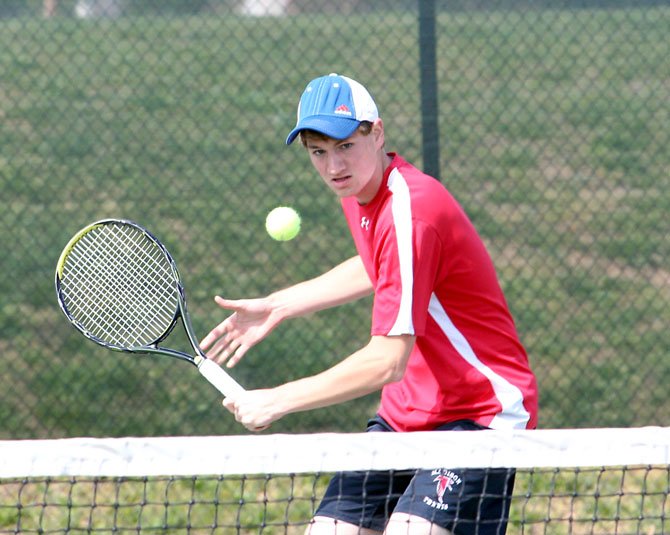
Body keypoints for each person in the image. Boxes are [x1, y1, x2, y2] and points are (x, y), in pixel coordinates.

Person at [201, 73, 538, 535]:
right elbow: (379, 263)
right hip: (406, 414)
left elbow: (386, 362)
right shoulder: (362, 192)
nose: (333, 165)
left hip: (479, 413)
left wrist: (277, 400)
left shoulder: (412, 210)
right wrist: (281, 304)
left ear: (376, 133)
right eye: (318, 152)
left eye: (345, 146)